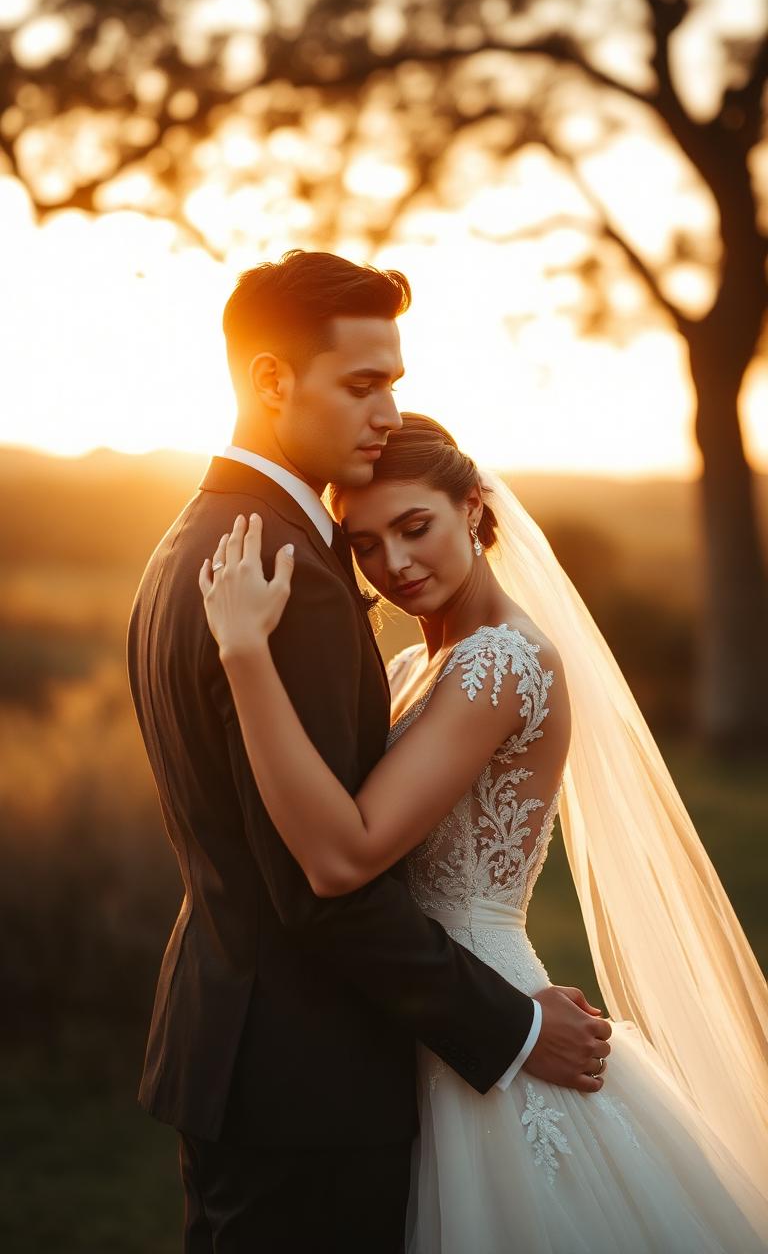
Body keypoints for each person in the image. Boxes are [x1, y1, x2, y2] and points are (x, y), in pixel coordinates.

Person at [127, 252, 608, 1254]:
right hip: (308, 1069)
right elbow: (324, 877)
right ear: (271, 380)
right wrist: (513, 1025)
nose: (389, 407)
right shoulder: (282, 572)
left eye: (394, 378)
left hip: (234, 1045)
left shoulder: (190, 540)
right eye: (362, 382)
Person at [200, 411, 768, 1252]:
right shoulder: (411, 667)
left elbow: (351, 850)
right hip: (420, 1014)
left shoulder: (499, 664)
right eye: (364, 544)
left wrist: (245, 655)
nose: (394, 563)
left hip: (490, 1027)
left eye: (415, 526)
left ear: (472, 507)